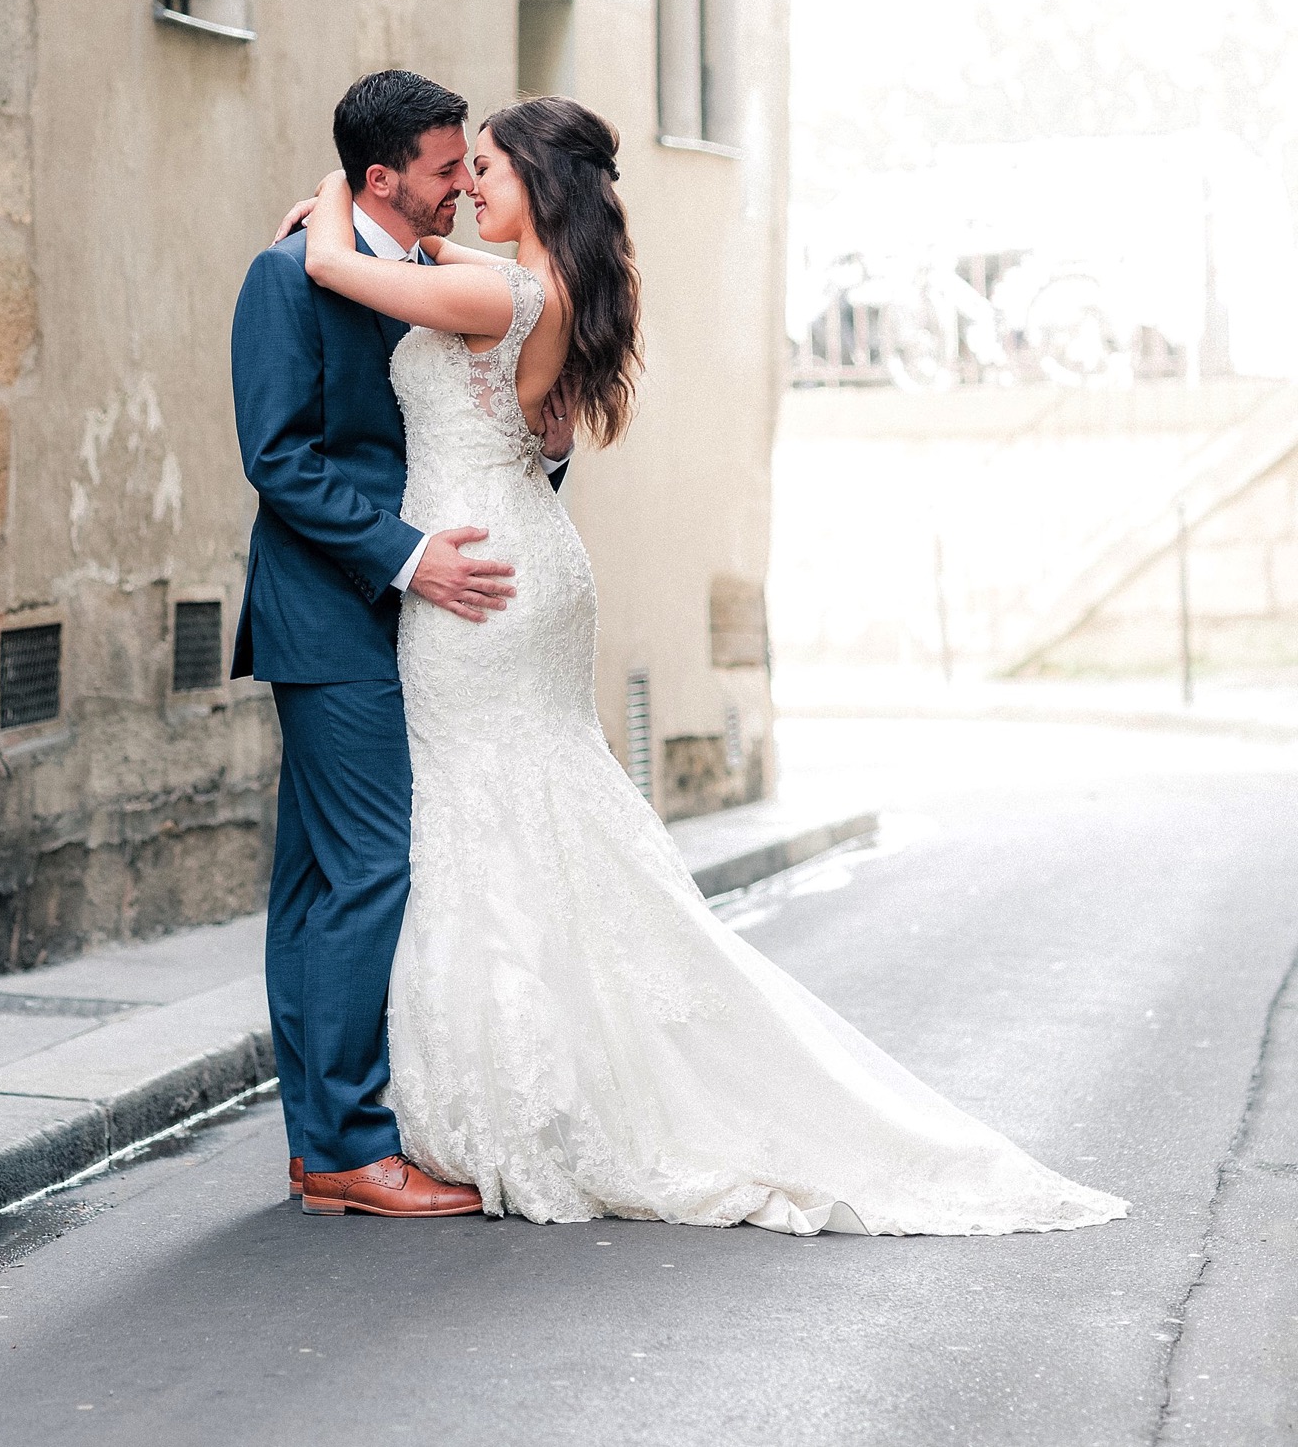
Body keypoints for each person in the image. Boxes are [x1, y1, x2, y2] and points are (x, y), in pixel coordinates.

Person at [287, 90, 1129, 1235]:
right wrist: (415, 234)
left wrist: (337, 193)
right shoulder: (549, 290)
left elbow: (340, 272)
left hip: (475, 574)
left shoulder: (496, 288)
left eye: (484, 167)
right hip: (524, 556)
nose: (469, 186)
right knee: (530, 810)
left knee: (483, 810)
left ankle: (515, 1094)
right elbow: (472, 344)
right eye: (460, 168)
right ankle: (556, 1073)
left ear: (536, 182)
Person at [230, 70, 571, 1219]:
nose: (461, 187)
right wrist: (410, 556)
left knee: (319, 880)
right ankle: (347, 1146)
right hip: (332, 616)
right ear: (380, 177)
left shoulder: (428, 273)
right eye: (442, 169)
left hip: (413, 621)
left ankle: (316, 1143)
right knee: (369, 869)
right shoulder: (287, 275)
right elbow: (280, 459)